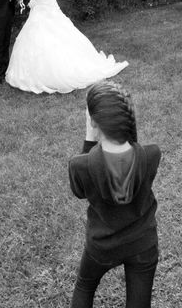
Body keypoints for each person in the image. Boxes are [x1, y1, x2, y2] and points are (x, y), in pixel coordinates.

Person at [69, 81, 160, 308]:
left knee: (84, 286)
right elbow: (133, 158)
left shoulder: (79, 165)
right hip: (142, 242)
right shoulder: (152, 155)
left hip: (102, 245)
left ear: (93, 121)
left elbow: (79, 191)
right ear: (127, 118)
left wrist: (89, 139)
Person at [6, 0, 128, 93]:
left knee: (43, 37)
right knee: (61, 35)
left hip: (43, 7)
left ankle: (50, 74)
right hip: (49, 4)